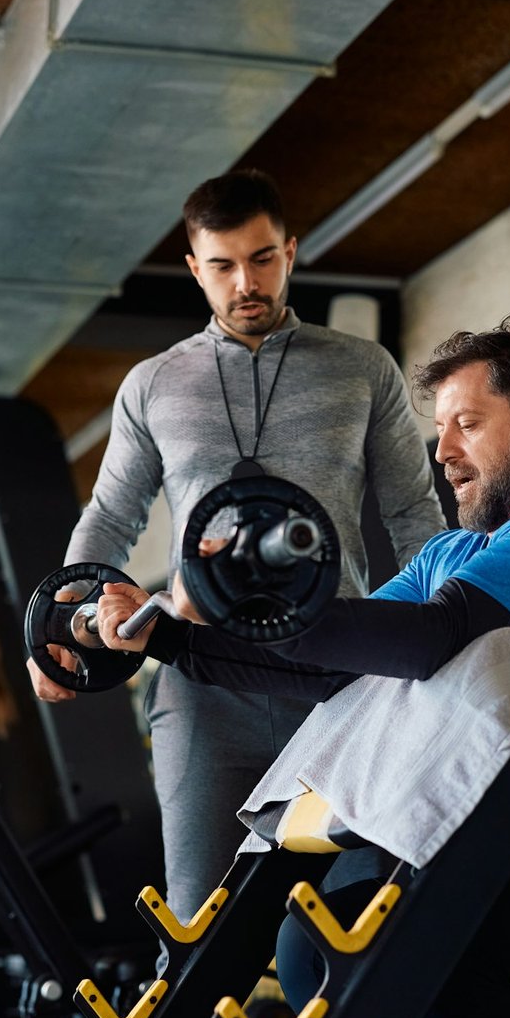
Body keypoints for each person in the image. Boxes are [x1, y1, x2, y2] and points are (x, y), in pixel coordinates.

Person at [94, 316, 510, 1018]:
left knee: (427, 955)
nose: (443, 451)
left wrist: (248, 602)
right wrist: (172, 637)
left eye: (467, 423)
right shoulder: (447, 557)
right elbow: (337, 668)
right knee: (310, 944)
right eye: (441, 429)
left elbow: (431, 638)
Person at [26, 169, 445, 921]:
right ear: (194, 268)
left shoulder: (362, 369)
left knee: (365, 936)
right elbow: (112, 515)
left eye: (261, 259)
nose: (244, 281)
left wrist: (448, 634)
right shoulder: (154, 383)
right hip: (204, 684)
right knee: (198, 928)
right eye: (222, 265)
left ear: (291, 250)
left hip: (341, 681)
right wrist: (58, 624)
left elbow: (415, 514)